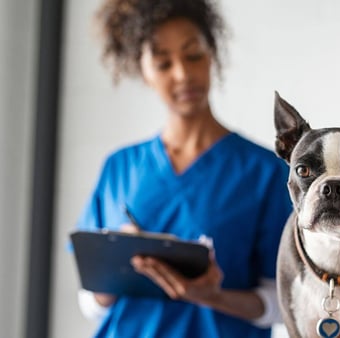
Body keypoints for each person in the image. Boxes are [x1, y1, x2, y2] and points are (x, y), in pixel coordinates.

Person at [72, 0, 292, 337]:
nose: (183, 74)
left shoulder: (264, 173)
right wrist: (117, 264)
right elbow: (90, 303)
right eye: (163, 63)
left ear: (212, 54)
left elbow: (280, 303)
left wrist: (213, 297)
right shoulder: (120, 168)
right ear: (142, 70)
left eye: (193, 55)